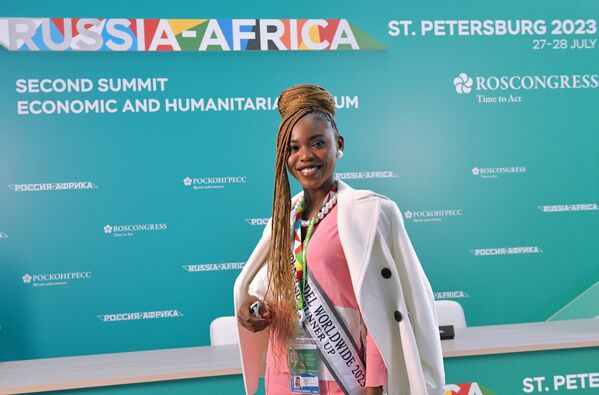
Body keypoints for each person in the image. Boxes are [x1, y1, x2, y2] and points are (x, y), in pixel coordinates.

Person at [234, 84, 445, 395]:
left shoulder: (370, 212)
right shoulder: (284, 219)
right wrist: (252, 309)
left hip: (342, 378)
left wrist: (374, 386)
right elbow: (263, 291)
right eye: (293, 148)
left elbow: (382, 310)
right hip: (285, 375)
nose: (305, 156)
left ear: (339, 144)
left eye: (318, 143)